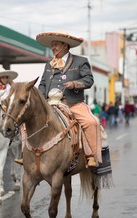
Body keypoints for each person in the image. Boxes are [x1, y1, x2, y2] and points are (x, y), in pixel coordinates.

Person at [35, 31, 102, 167]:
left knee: (91, 122)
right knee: (27, 123)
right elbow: (42, 84)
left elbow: (89, 80)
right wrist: (39, 101)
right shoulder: (48, 65)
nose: (53, 47)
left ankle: (92, 156)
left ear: (65, 45)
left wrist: (74, 84)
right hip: (50, 105)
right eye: (52, 45)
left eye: (56, 44)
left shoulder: (81, 61)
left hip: (73, 104)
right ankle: (26, 156)